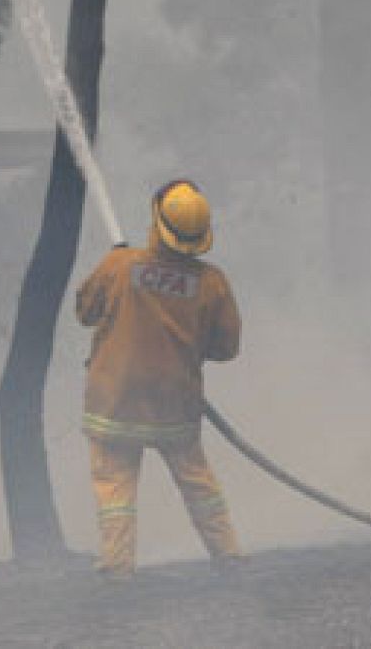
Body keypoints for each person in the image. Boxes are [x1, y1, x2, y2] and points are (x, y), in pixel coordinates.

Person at [75, 179, 245, 577]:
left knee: (114, 487)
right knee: (198, 484)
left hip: (115, 401)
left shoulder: (120, 266)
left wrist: (114, 267)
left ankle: (118, 567)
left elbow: (85, 312)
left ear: (157, 223)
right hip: (175, 403)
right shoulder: (212, 283)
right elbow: (226, 347)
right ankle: (229, 555)